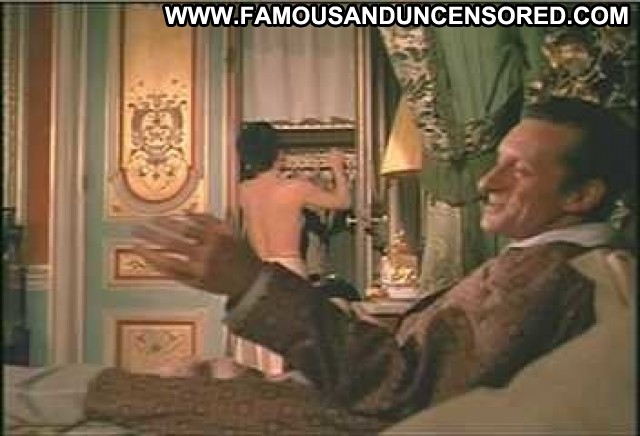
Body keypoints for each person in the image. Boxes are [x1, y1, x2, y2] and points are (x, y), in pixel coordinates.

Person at [11, 98, 632, 434]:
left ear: (583, 195)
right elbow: (342, 207)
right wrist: (335, 174)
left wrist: (250, 283)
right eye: (494, 162)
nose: (486, 182)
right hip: (289, 277)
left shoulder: (556, 275)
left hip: (277, 289)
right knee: (90, 391)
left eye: (518, 171)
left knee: (75, 393)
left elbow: (404, 388)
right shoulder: (292, 188)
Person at [228, 122, 351, 378]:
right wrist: (337, 168)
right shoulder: (295, 189)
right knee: (290, 346)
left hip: (255, 272)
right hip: (288, 270)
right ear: (279, 155)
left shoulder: (241, 191)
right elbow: (343, 201)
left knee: (258, 347)